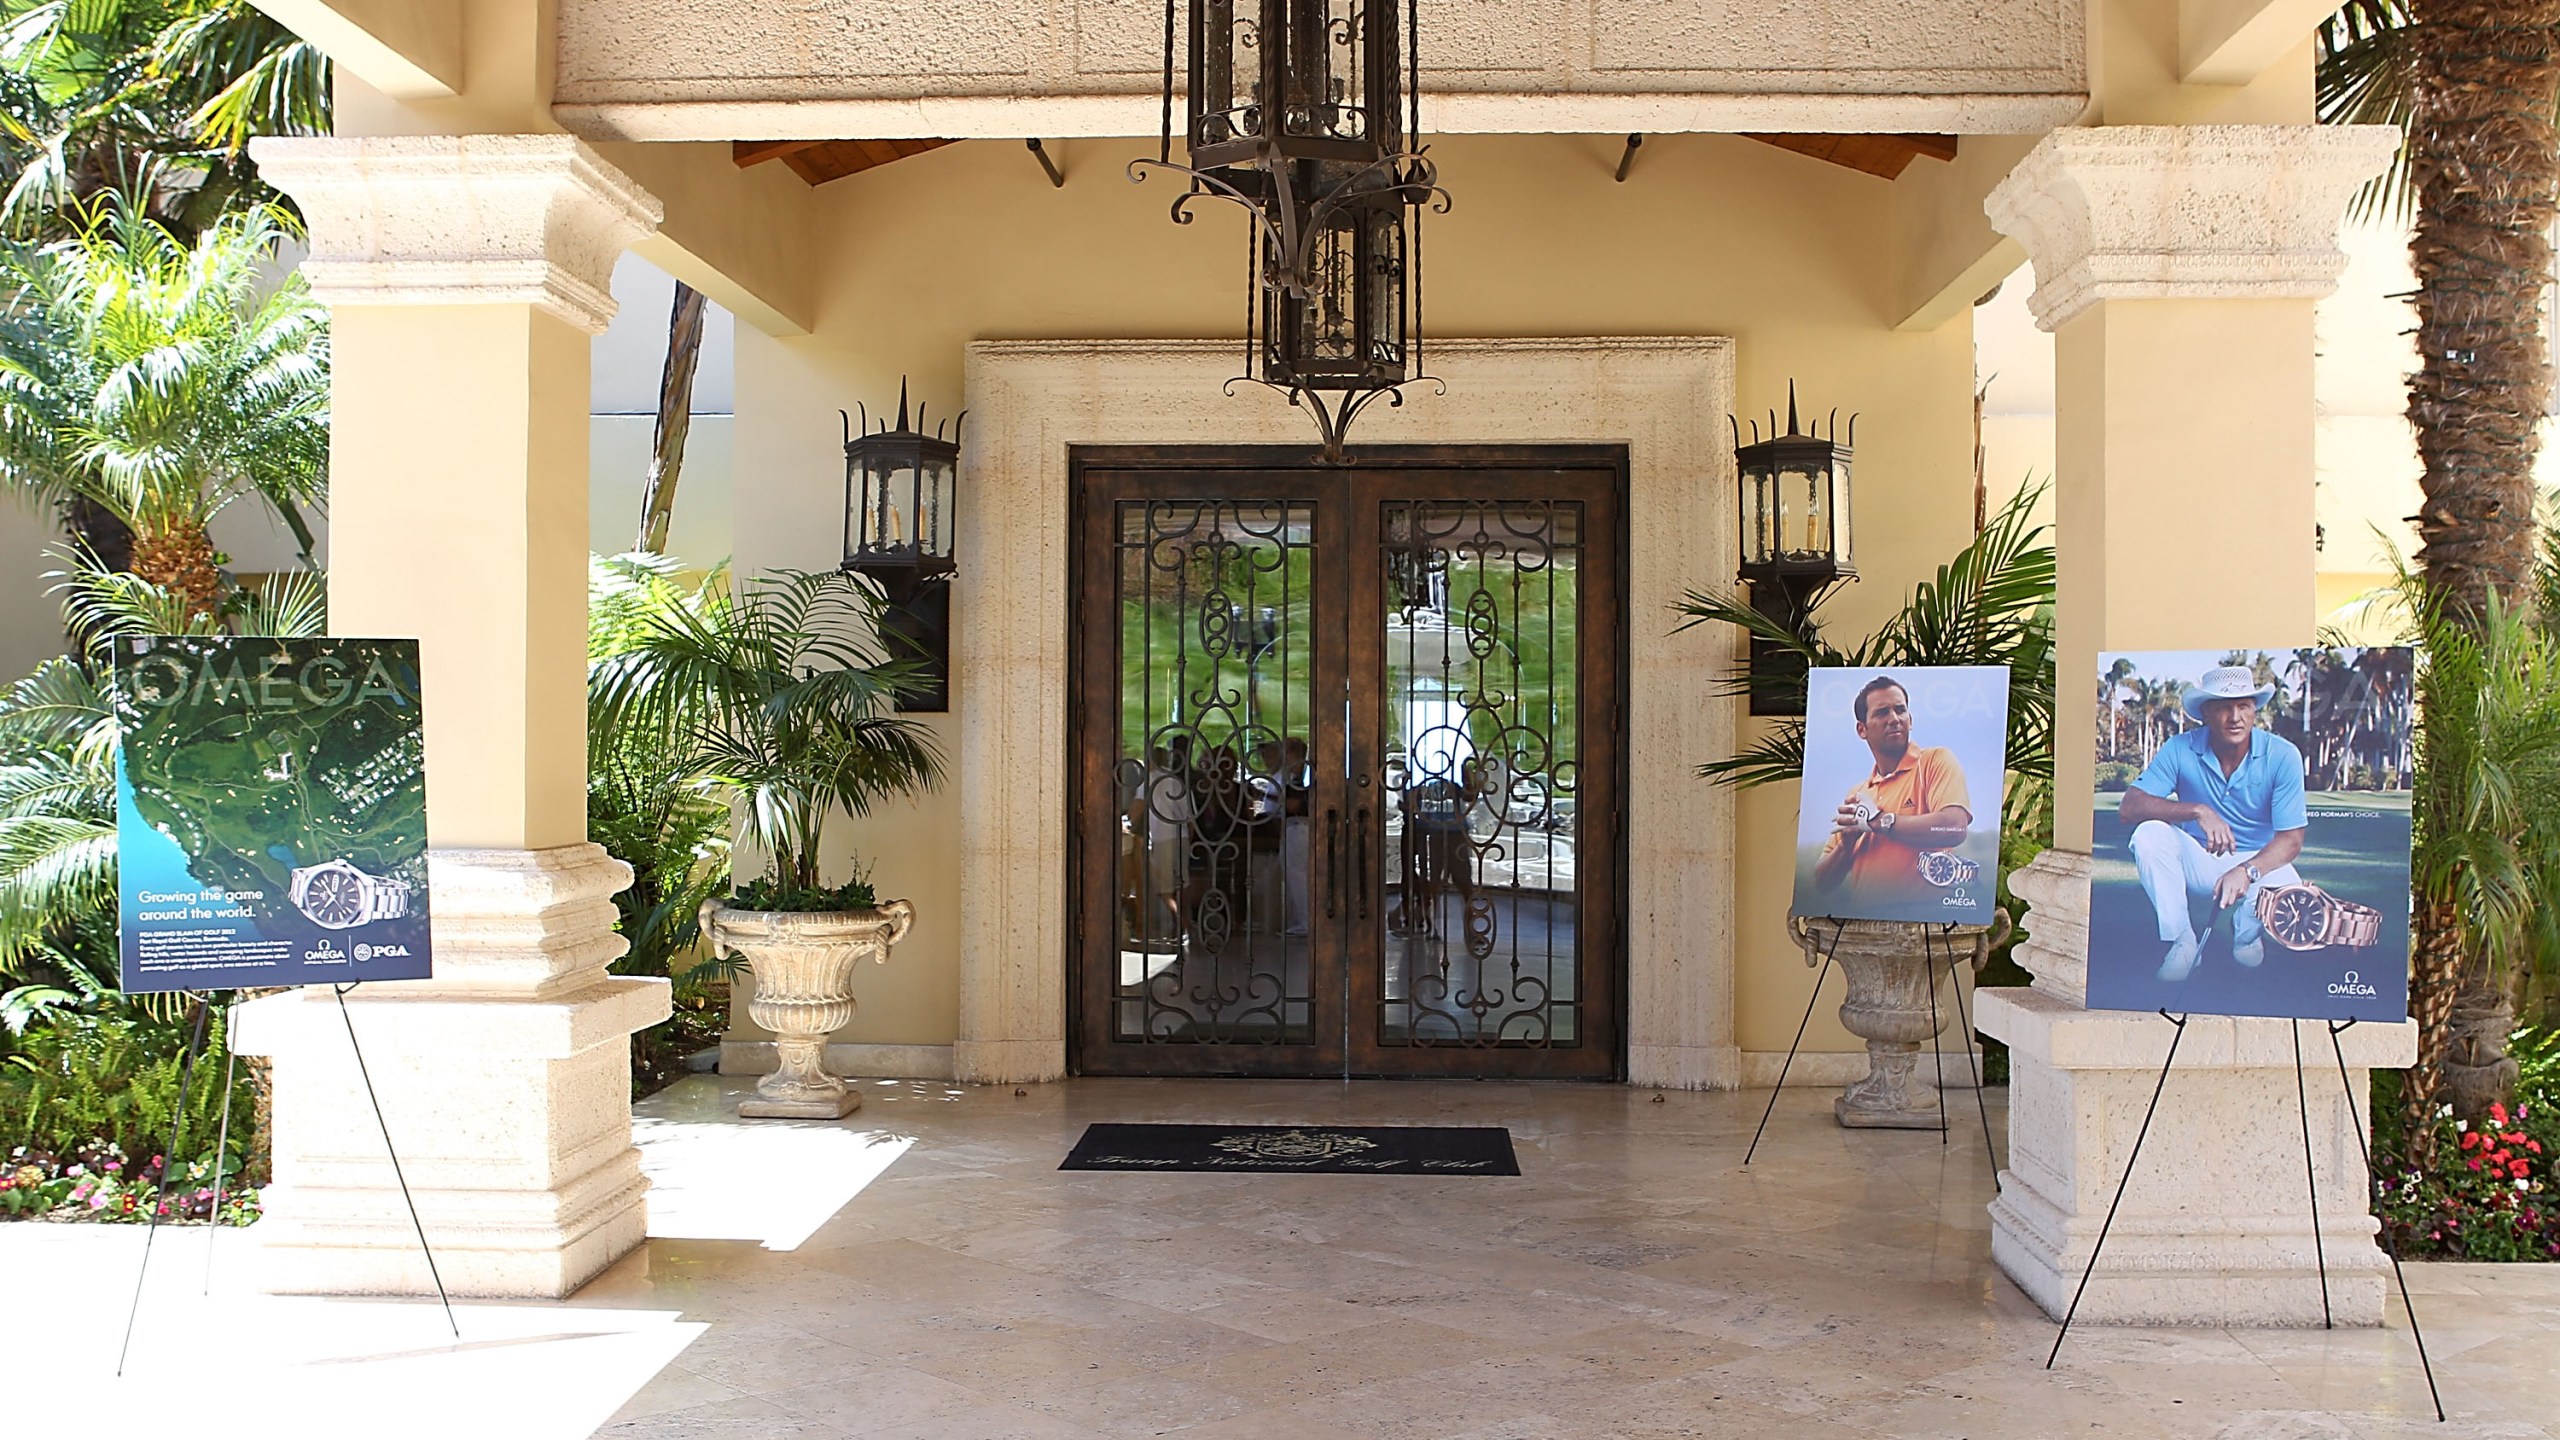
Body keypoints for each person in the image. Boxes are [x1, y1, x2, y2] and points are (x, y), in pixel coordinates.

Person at [2118, 665, 2306, 982]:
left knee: (2290, 887)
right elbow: (2129, 807)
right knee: (2148, 834)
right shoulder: (2180, 747)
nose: (2235, 717)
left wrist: (2247, 870)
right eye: (2224, 707)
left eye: (2244, 706)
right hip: (2198, 858)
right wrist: (2197, 810)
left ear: (2254, 710)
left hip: (2258, 863)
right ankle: (2184, 941)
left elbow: (2292, 839)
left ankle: (2245, 935)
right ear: (2206, 713)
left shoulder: (2283, 755)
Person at [1811, 675, 1973, 912]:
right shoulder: (1858, 794)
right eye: (1882, 713)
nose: (1894, 719)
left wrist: (1880, 822)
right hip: (1867, 929)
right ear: (1861, 729)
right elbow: (1821, 884)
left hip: (1927, 925)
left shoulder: (1934, 761)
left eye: (1900, 710)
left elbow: (1955, 827)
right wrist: (1845, 847)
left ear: (1911, 719)